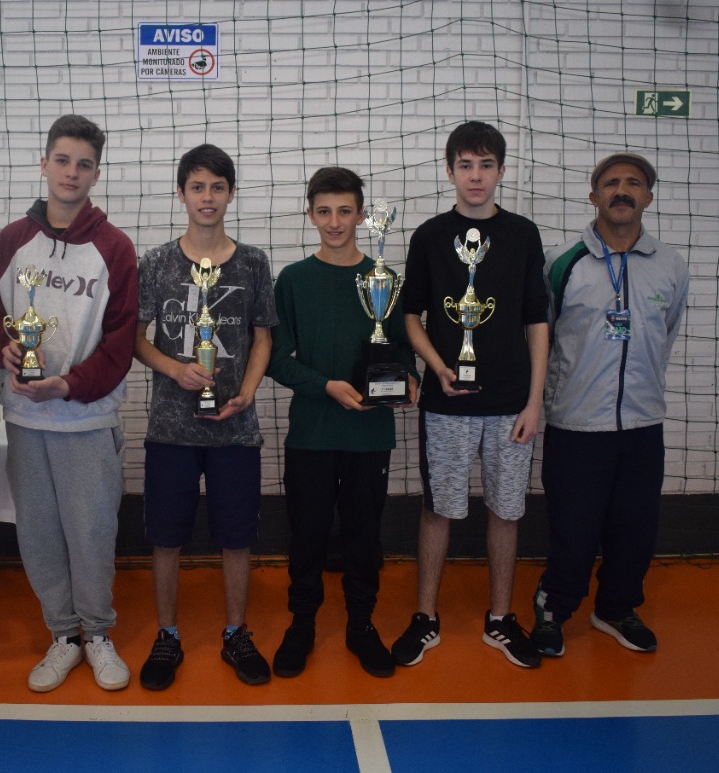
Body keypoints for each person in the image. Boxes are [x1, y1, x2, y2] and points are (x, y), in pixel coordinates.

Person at [0, 114, 138, 692]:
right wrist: (4, 352)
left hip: (86, 421)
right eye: (62, 160)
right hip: (25, 419)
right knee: (39, 533)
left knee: (91, 533)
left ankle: (98, 633)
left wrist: (67, 385)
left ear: (96, 174)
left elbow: (120, 345)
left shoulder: (115, 248)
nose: (71, 173)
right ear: (44, 164)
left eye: (83, 164)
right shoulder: (13, 240)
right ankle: (63, 635)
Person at [391, 121, 549, 670]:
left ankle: (500, 618)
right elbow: (410, 315)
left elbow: (537, 321)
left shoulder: (523, 235)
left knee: (506, 510)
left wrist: (534, 401)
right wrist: (437, 366)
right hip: (448, 402)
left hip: (511, 404)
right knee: (439, 509)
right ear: (450, 170)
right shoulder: (430, 236)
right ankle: (425, 617)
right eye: (465, 165)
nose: (475, 176)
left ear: (501, 171)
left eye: (485, 165)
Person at [530, 152, 689, 657]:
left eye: (634, 183)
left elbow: (666, 333)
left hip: (643, 424)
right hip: (576, 425)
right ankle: (553, 611)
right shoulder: (563, 261)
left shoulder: (670, 265)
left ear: (649, 197)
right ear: (593, 195)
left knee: (635, 532)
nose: (623, 191)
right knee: (573, 534)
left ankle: (616, 609)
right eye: (612, 182)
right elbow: (540, 337)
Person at [134, 144, 277, 690]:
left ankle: (236, 632)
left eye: (218, 187)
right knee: (166, 538)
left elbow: (262, 337)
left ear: (231, 193)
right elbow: (137, 340)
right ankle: (167, 634)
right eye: (197, 187)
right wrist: (176, 369)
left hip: (234, 427)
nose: (208, 197)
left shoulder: (253, 262)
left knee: (236, 538)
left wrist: (247, 391)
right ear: (181, 194)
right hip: (170, 429)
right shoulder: (156, 263)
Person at [266, 166, 419, 679]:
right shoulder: (293, 280)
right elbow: (276, 359)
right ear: (310, 215)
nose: (335, 222)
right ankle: (302, 624)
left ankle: (361, 624)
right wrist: (324, 385)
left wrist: (408, 379)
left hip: (369, 436)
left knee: (364, 535)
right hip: (311, 433)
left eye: (345, 211)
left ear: (361, 214)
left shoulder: (385, 279)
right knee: (306, 535)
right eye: (324, 211)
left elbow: (400, 347)